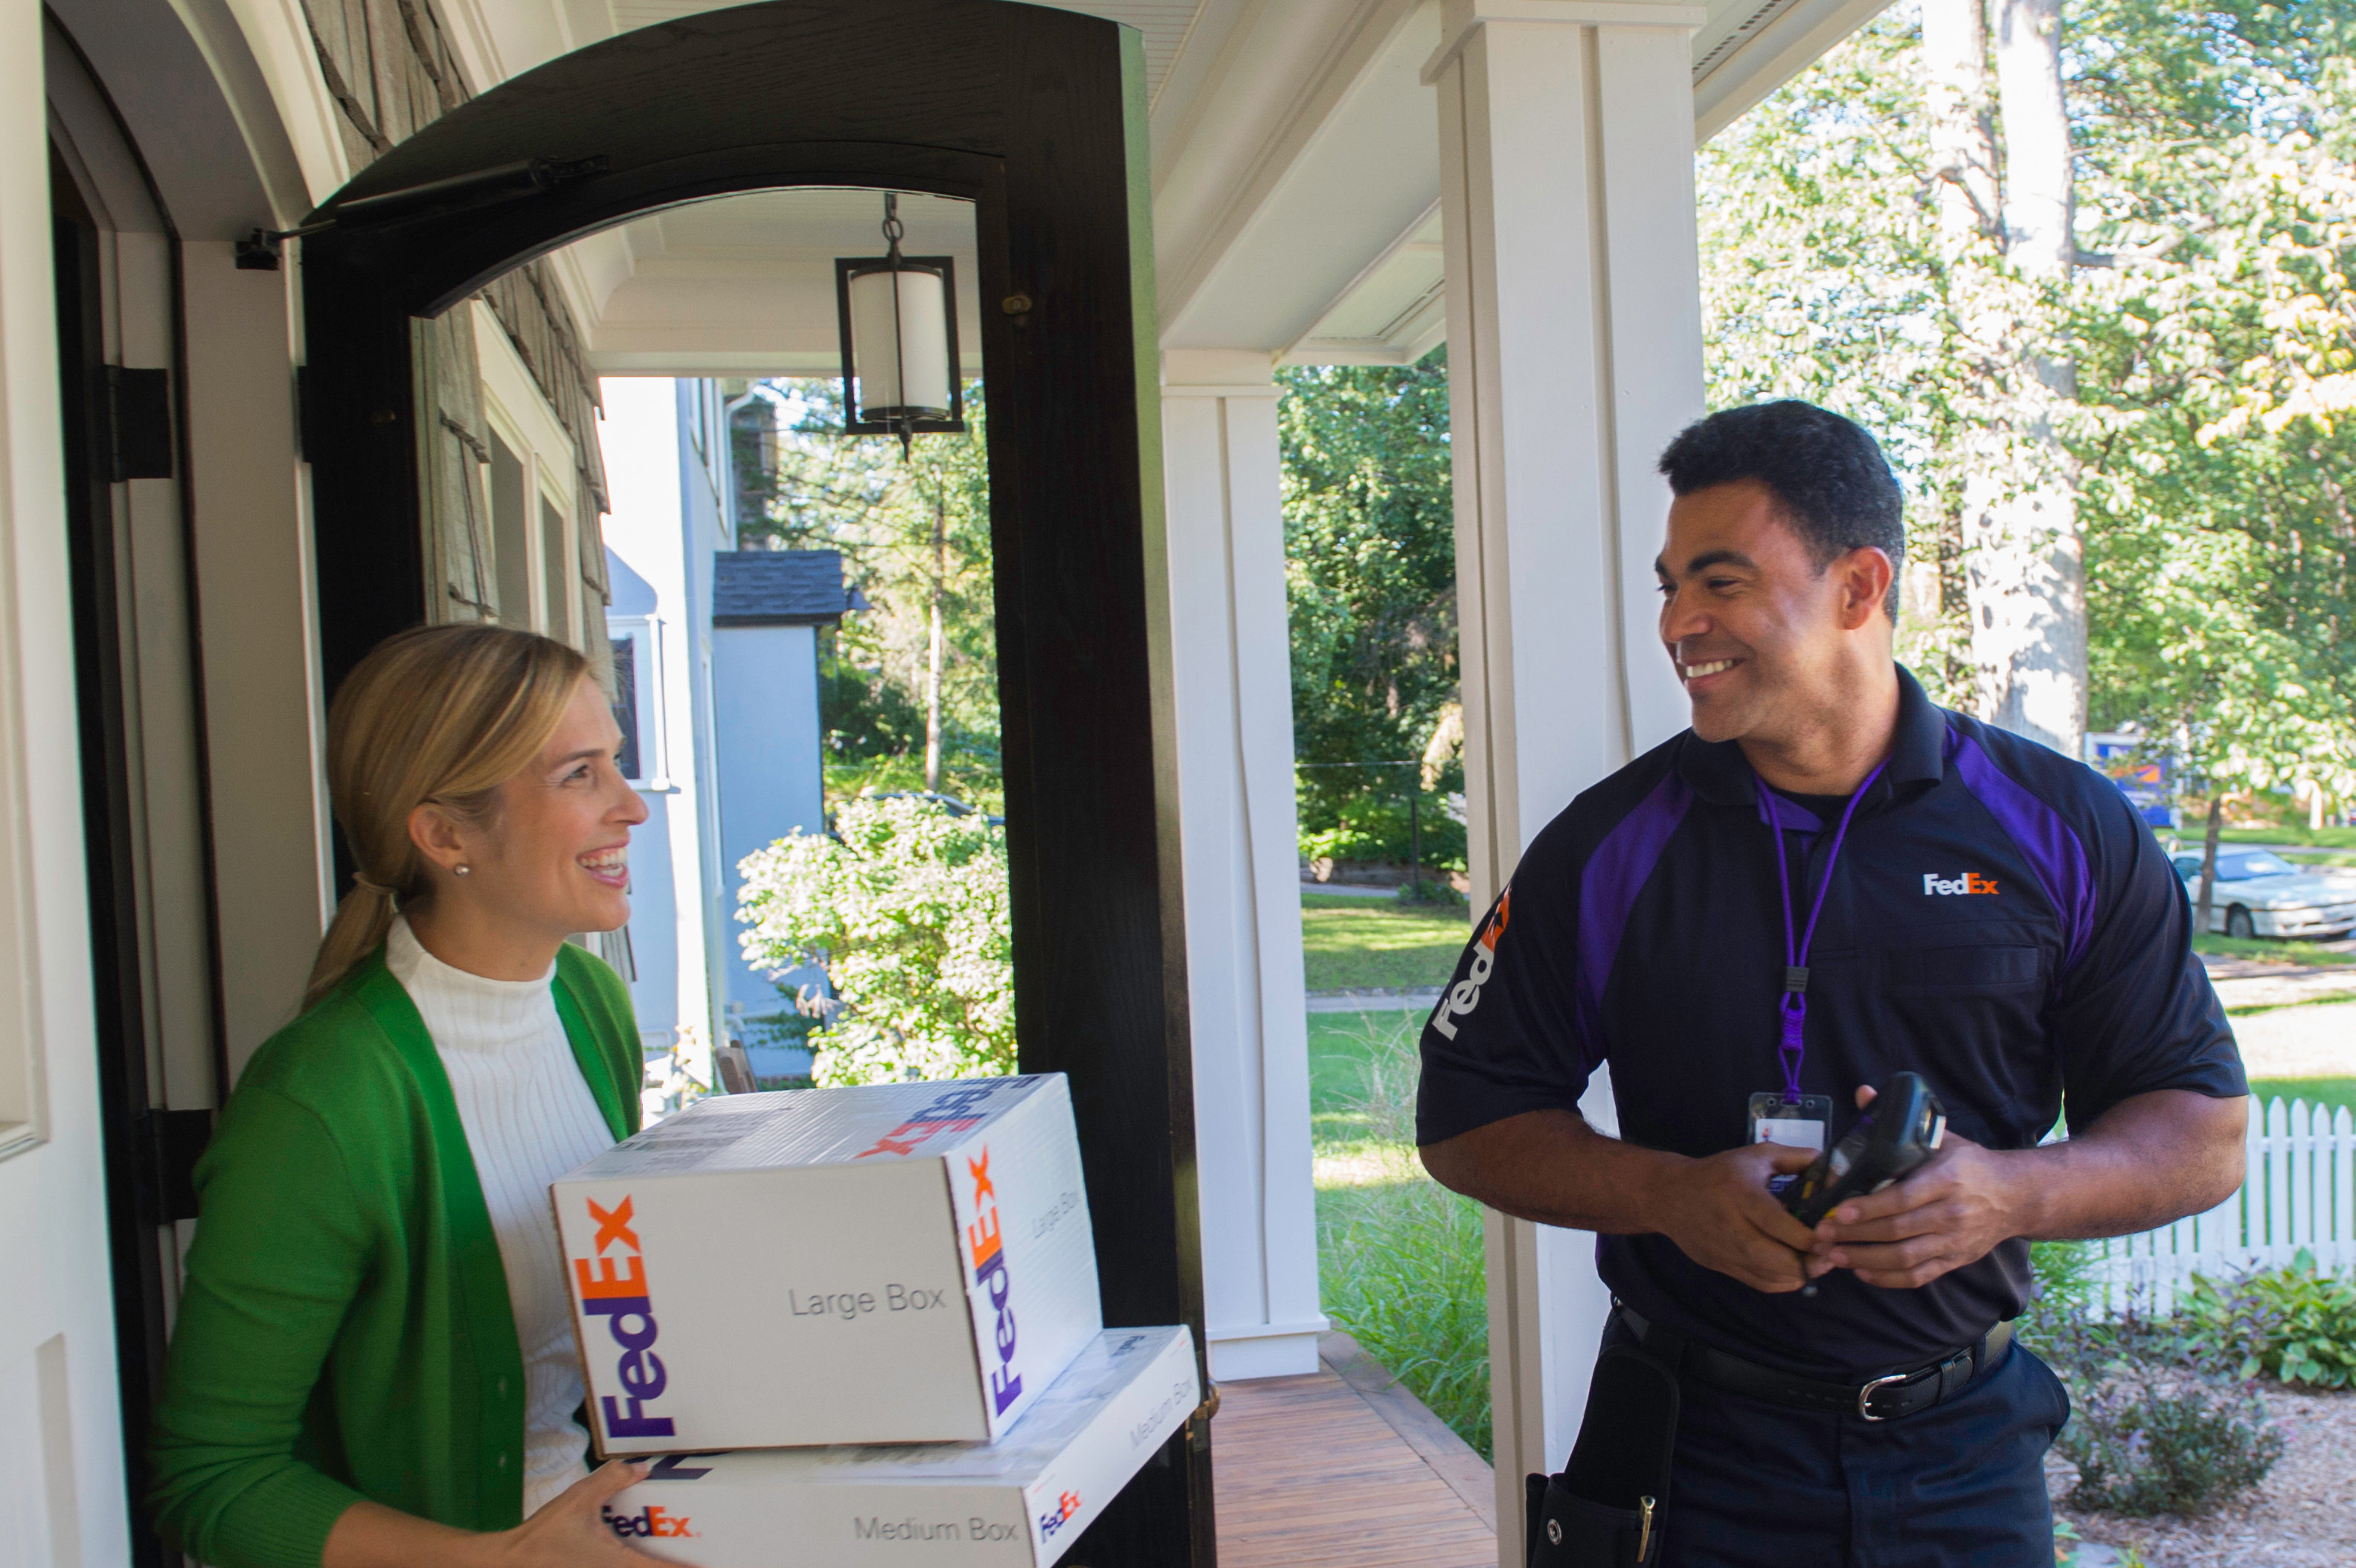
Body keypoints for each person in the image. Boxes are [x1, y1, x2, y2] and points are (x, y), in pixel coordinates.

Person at [1416, 400, 2247, 1566]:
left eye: (1718, 583)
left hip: (1963, 1456)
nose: (1676, 624)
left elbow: (2200, 1134)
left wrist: (2008, 1195)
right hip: (1686, 1458)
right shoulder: (1607, 846)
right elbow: (1465, 1115)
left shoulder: (2061, 829)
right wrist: (1671, 1195)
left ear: (1859, 586)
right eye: (1666, 587)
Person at [148, 625, 679, 1568]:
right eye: (578, 776)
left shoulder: (586, 1003)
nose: (630, 807)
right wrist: (501, 1558)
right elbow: (213, 1478)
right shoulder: (324, 1104)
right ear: (443, 834)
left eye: (617, 764)